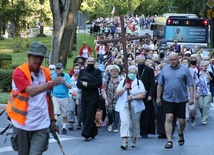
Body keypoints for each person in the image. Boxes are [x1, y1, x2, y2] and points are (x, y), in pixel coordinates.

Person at [6, 42, 64, 154]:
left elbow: (48, 98)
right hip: (22, 124)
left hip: (41, 124)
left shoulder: (46, 73)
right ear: (29, 56)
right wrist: (51, 83)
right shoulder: (19, 72)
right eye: (35, 56)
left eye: (41, 57)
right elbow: (31, 91)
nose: (38, 60)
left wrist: (52, 121)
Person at [156, 52, 195, 149]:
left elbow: (190, 84)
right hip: (168, 98)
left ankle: (180, 133)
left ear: (178, 59)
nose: (173, 61)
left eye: (174, 59)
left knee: (181, 121)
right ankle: (169, 140)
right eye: (171, 60)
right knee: (169, 117)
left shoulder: (185, 70)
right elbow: (160, 84)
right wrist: (158, 97)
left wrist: (191, 97)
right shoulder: (164, 70)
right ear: (168, 60)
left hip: (181, 98)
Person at [115, 65, 146, 149]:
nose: (132, 74)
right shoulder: (123, 82)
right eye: (130, 72)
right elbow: (117, 93)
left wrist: (133, 97)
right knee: (125, 122)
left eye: (134, 73)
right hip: (124, 105)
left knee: (135, 123)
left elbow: (143, 94)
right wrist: (124, 88)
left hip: (136, 106)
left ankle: (134, 138)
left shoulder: (139, 82)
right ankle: (124, 141)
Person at [77, 56, 102, 141]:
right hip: (84, 95)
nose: (90, 63)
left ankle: (86, 133)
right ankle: (93, 131)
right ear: (86, 62)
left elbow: (98, 84)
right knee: (85, 114)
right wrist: (85, 84)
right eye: (89, 62)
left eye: (92, 62)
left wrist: (87, 84)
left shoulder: (98, 72)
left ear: (94, 63)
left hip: (94, 95)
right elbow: (79, 84)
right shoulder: (82, 71)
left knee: (91, 114)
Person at [136, 55, 156, 138]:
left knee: (146, 114)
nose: (140, 64)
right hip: (136, 95)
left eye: (142, 62)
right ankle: (136, 130)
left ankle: (144, 131)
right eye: (139, 62)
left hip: (147, 95)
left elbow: (152, 83)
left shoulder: (149, 70)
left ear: (144, 62)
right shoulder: (134, 70)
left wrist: (151, 95)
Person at [52, 63, 72, 134]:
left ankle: (64, 127)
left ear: (62, 69)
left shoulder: (66, 76)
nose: (58, 70)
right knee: (55, 112)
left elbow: (70, 86)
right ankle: (55, 126)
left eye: (60, 68)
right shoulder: (53, 76)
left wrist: (64, 81)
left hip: (64, 97)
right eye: (57, 68)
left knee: (65, 113)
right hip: (55, 96)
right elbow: (50, 85)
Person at [104, 65, 123, 133]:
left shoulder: (121, 80)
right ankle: (110, 123)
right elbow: (104, 89)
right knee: (110, 112)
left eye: (116, 71)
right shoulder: (108, 80)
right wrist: (105, 99)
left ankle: (115, 127)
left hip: (118, 99)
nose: (114, 73)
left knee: (117, 113)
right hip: (109, 99)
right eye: (113, 71)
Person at [196, 61, 214, 125]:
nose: (204, 67)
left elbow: (213, 82)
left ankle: (204, 119)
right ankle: (202, 115)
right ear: (200, 66)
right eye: (202, 66)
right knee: (201, 106)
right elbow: (196, 83)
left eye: (205, 66)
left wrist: (211, 78)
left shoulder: (210, 73)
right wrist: (197, 91)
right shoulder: (198, 74)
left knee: (206, 106)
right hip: (200, 92)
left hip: (208, 92)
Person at [68, 63, 82, 130]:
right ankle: (71, 123)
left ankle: (79, 123)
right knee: (71, 109)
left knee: (79, 110)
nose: (76, 70)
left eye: (78, 69)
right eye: (75, 69)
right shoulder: (70, 77)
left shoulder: (82, 77)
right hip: (71, 95)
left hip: (79, 95)